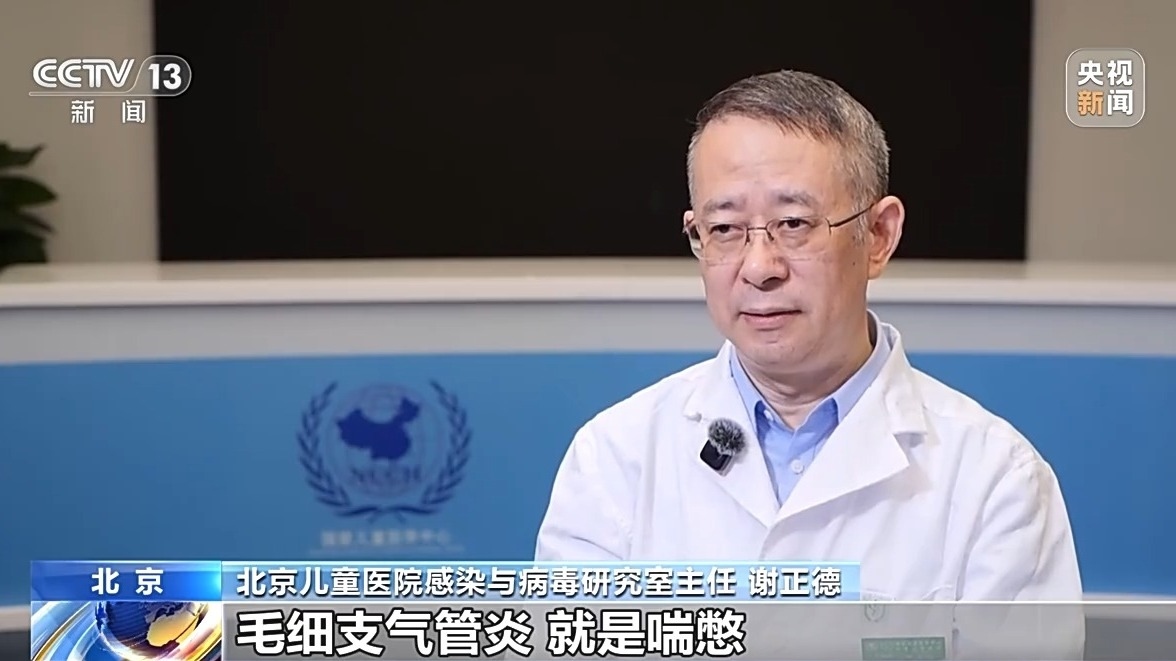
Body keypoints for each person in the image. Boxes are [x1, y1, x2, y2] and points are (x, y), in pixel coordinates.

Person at [534, 70, 1083, 605]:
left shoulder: (996, 479)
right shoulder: (615, 459)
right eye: (723, 229)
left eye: (794, 224)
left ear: (879, 236)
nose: (759, 268)